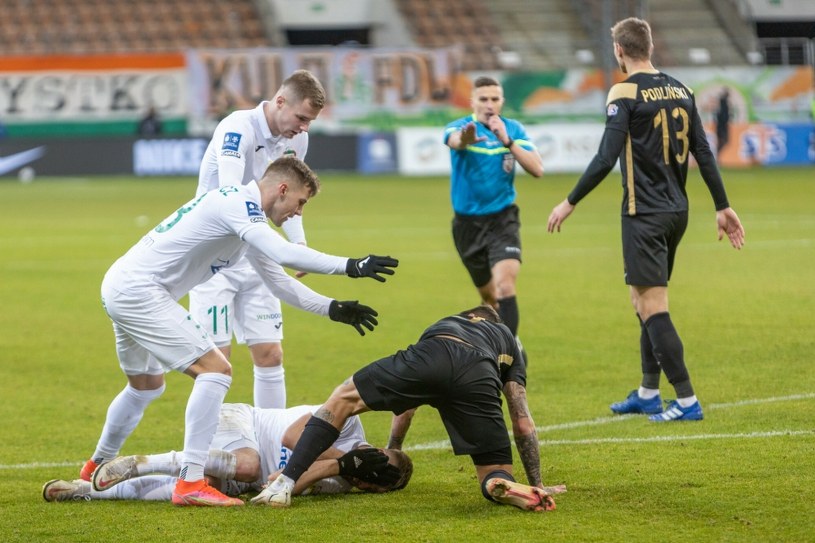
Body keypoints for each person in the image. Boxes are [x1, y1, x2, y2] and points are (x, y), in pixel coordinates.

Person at [77, 157, 398, 507]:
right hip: (141, 292)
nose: (298, 213)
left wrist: (332, 308)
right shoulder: (238, 204)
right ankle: (190, 482)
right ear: (282, 189)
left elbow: (278, 282)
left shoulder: (247, 220)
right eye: (300, 202)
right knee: (216, 371)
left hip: (122, 287)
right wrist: (352, 266)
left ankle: (94, 466)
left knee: (146, 387)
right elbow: (284, 252)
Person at [547, 17, 745, 422]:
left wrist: (569, 201)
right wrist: (722, 205)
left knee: (652, 306)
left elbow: (606, 156)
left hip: (645, 213)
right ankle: (648, 392)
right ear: (650, 46)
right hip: (676, 212)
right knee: (641, 300)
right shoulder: (682, 89)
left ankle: (686, 400)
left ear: (619, 50)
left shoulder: (624, 91)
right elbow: (703, 151)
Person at [253, 305, 565, 512]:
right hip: (479, 373)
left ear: (470, 314)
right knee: (494, 472)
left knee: (344, 398)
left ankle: (285, 483)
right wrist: (537, 481)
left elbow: (407, 405)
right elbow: (522, 422)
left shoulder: (449, 321)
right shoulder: (509, 342)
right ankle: (503, 485)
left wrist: (394, 449)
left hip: (435, 350)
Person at [190, 70, 326, 409]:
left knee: (270, 354)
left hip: (256, 254)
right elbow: (231, 197)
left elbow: (290, 196)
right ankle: (209, 441)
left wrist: (298, 245)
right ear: (280, 102)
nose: (304, 127)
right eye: (301, 118)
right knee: (215, 365)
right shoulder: (238, 128)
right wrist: (279, 249)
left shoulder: (298, 140)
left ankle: (272, 438)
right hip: (214, 258)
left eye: (309, 121)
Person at [45, 402, 412, 503]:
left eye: (373, 481)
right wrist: (343, 457)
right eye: (380, 456)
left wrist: (340, 467)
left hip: (242, 474)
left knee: (201, 489)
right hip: (240, 421)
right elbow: (292, 437)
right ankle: (142, 463)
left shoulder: (340, 482)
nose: (371, 461)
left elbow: (275, 485)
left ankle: (85, 491)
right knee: (249, 465)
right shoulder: (346, 421)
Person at [443, 76, 543, 358]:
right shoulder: (460, 127)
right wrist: (466, 138)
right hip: (467, 226)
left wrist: (507, 141)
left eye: (494, 99)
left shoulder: (513, 129)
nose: (489, 104)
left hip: (502, 220)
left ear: (502, 101)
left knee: (505, 285)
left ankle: (509, 357)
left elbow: (537, 169)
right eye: (483, 99)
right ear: (472, 101)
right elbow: (455, 141)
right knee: (490, 299)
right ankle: (509, 338)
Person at [715, 88, 731, 154]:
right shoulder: (723, 102)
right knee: (723, 140)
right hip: (722, 126)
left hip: (722, 125)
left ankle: (716, 154)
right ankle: (716, 154)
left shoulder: (724, 102)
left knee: (724, 141)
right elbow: (723, 115)